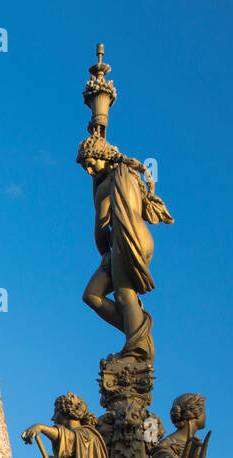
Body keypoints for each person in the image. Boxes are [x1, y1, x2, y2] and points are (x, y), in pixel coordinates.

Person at [78, 134, 173, 363]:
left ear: (102, 156)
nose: (91, 172)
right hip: (144, 240)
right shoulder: (128, 174)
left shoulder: (106, 187)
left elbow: (101, 227)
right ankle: (137, 333)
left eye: (92, 165)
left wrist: (105, 254)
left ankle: (137, 348)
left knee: (124, 294)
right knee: (92, 295)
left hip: (125, 241)